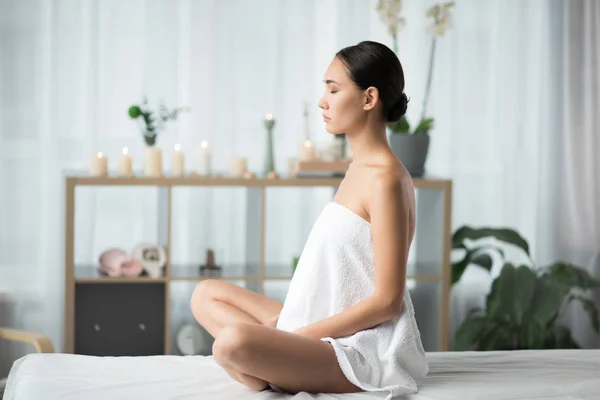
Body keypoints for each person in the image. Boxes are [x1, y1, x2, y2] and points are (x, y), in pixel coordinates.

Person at [190, 40, 428, 398]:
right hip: (318, 320)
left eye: (334, 89)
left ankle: (269, 362)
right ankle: (272, 361)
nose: (323, 101)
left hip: (356, 348)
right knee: (206, 293)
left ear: (369, 98)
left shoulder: (385, 180)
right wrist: (286, 331)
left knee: (230, 344)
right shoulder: (357, 169)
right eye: (325, 89)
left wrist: (292, 338)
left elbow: (388, 302)